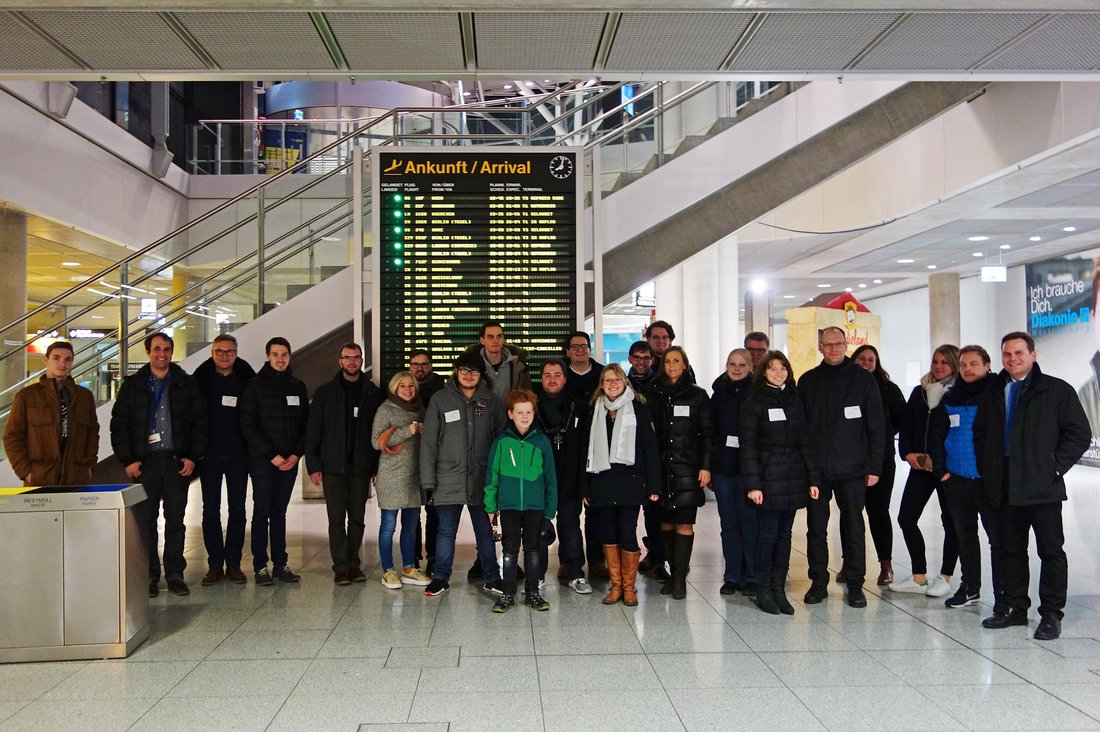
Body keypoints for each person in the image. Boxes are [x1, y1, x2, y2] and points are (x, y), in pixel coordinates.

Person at [974, 332, 1090, 640]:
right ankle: (1016, 609)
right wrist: (988, 470)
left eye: (1019, 353)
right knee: (1012, 550)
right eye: (1007, 354)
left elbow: (1079, 433)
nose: (1013, 359)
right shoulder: (994, 391)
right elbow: (981, 434)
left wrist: (1053, 466)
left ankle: (1051, 614)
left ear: (1033, 355)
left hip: (1042, 485)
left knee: (1050, 551)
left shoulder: (1055, 390)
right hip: (1004, 484)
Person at [110, 331, 207, 598]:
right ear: (148, 352)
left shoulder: (185, 383)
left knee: (176, 521)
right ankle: (150, 574)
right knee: (146, 522)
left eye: (166, 349)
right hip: (146, 465)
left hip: (176, 463)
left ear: (171, 352)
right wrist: (128, 460)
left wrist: (192, 456)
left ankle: (175, 573)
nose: (161, 354)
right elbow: (119, 425)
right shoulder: (133, 384)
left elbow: (200, 422)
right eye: (156, 349)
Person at [799, 326, 884, 608]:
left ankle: (856, 583)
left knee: (854, 527)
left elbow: (875, 426)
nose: (833, 349)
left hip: (853, 468)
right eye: (828, 344)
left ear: (846, 345)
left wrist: (874, 467)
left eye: (838, 344)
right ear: (820, 347)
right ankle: (818, 582)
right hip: (818, 471)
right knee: (815, 529)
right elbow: (802, 430)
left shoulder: (863, 380)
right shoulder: (809, 381)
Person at [740, 351, 820, 615]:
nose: (778, 373)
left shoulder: (794, 399)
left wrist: (812, 478)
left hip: (793, 476)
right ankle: (763, 587)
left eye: (783, 368)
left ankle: (778, 588)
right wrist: (753, 484)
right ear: (763, 372)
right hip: (766, 477)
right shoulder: (754, 402)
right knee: (767, 535)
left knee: (785, 536)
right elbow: (748, 447)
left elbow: (806, 442)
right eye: (772, 368)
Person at [419, 353, 506, 597]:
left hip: (482, 479)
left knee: (485, 531)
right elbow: (428, 443)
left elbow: (502, 442)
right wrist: (427, 480)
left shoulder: (492, 402)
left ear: (481, 376)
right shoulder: (440, 399)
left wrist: (501, 480)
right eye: (464, 370)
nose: (468, 375)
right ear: (456, 372)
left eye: (474, 372)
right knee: (445, 531)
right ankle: (440, 577)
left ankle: (493, 577)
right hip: (448, 478)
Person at [928, 345, 1005, 611]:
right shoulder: (950, 398)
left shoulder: (998, 395)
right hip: (957, 479)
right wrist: (941, 471)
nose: (968, 369)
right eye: (963, 365)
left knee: (998, 539)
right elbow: (936, 437)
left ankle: (1003, 594)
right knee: (965, 536)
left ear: (987, 366)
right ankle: (970, 588)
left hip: (988, 480)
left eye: (974, 363)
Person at [581, 364, 660, 606]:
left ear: (625, 381)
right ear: (601, 385)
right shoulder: (594, 409)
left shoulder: (638, 406)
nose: (612, 384)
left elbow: (649, 447)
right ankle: (616, 587)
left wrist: (654, 485)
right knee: (609, 533)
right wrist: (585, 487)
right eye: (607, 380)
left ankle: (629, 587)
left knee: (628, 532)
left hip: (631, 482)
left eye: (617, 379)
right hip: (602, 480)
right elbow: (586, 448)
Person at [305, 342, 384, 586]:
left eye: (356, 357)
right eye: (347, 357)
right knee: (337, 519)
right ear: (340, 361)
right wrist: (313, 465)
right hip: (332, 467)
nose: (352, 362)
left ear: (362, 361)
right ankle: (341, 567)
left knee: (358, 518)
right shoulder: (324, 393)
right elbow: (313, 431)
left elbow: (378, 432)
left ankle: (354, 564)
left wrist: (376, 467)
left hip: (361, 467)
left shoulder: (373, 393)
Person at [890, 344, 960, 597]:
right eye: (935, 361)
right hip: (920, 466)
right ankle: (918, 576)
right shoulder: (919, 393)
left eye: (944, 362)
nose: (938, 366)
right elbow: (907, 426)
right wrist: (908, 454)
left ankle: (945, 577)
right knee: (906, 517)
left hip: (948, 467)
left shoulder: (960, 393)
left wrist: (938, 458)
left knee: (951, 522)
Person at [645, 346, 714, 600]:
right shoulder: (654, 392)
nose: (672, 365)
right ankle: (672, 573)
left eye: (676, 361)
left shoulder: (697, 395)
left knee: (684, 523)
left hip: (687, 467)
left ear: (685, 365)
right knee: (665, 522)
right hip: (661, 468)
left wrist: (706, 466)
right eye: (667, 361)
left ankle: (680, 577)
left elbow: (707, 434)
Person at [240, 337, 308, 586]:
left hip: (289, 462)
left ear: (290, 356)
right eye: (276, 354)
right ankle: (260, 565)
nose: (280, 359)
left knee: (279, 512)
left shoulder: (297, 386)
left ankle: (280, 563)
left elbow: (304, 424)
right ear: (268, 356)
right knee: (262, 511)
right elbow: (248, 426)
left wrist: (295, 454)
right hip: (263, 461)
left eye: (285, 354)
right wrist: (272, 455)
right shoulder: (255, 386)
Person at [484, 389, 557, 612]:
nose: (524, 416)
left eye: (528, 412)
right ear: (510, 414)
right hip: (509, 506)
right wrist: (490, 505)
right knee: (509, 551)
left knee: (534, 550)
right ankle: (507, 593)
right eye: (519, 412)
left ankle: (533, 592)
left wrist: (549, 510)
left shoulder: (542, 442)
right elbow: (491, 474)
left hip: (536, 507)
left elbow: (550, 478)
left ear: (534, 413)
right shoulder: (502, 442)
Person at [192, 333, 255, 586]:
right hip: (210, 455)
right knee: (210, 511)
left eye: (229, 351)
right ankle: (215, 564)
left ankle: (234, 563)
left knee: (238, 510)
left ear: (236, 353)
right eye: (220, 351)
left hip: (239, 454)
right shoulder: (200, 380)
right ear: (212, 353)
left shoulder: (248, 379)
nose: (225, 356)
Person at [4, 341, 99, 488]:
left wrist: (88, 468)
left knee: (74, 512)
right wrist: (25, 472)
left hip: (76, 476)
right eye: (56, 358)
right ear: (46, 360)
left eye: (68, 359)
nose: (62, 363)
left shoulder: (83, 396)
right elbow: (12, 436)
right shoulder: (27, 396)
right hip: (39, 477)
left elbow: (92, 433)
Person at [850, 344, 906, 587]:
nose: (866, 363)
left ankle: (886, 565)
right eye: (861, 358)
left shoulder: (888, 389)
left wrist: (884, 433)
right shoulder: (846, 387)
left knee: (878, 512)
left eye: (871, 359)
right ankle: (850, 563)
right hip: (851, 460)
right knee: (851, 514)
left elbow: (902, 418)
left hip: (881, 460)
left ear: (877, 363)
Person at [535, 358, 591, 594]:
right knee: (538, 527)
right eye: (547, 375)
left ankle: (576, 572)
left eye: (557, 375)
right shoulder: (532, 405)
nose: (552, 380)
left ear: (565, 378)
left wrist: (585, 482)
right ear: (541, 378)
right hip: (538, 480)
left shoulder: (578, 406)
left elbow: (586, 445)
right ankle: (536, 577)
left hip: (569, 477)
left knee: (570, 526)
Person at [371, 371, 431, 590]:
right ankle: (388, 571)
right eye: (403, 386)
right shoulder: (385, 409)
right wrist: (409, 430)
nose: (408, 390)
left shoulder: (421, 409)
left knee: (410, 527)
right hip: (391, 476)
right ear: (395, 388)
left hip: (414, 477)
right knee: (388, 526)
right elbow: (377, 442)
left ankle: (408, 568)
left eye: (411, 386)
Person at [709, 348, 758, 596]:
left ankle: (751, 575)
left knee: (750, 523)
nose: (736, 368)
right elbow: (709, 431)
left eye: (741, 364)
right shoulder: (718, 393)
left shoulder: (758, 393)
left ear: (750, 366)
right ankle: (732, 575)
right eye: (732, 364)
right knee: (728, 523)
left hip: (750, 470)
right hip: (724, 468)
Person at [408, 349, 444, 574]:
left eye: (424, 364)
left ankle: (432, 557)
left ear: (430, 366)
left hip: (435, 460)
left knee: (434, 514)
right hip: (409, 460)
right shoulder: (403, 389)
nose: (419, 368)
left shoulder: (442, 390)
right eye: (415, 364)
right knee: (412, 511)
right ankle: (412, 557)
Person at [467, 321, 530, 399]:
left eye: (499, 336)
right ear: (482, 340)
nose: (495, 341)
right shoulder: (470, 367)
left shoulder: (518, 367)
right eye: (490, 337)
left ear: (503, 339)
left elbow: (528, 398)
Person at [564, 330, 603, 402]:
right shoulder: (560, 374)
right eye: (575, 347)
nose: (580, 350)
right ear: (568, 352)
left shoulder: (603, 373)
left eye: (584, 346)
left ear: (590, 350)